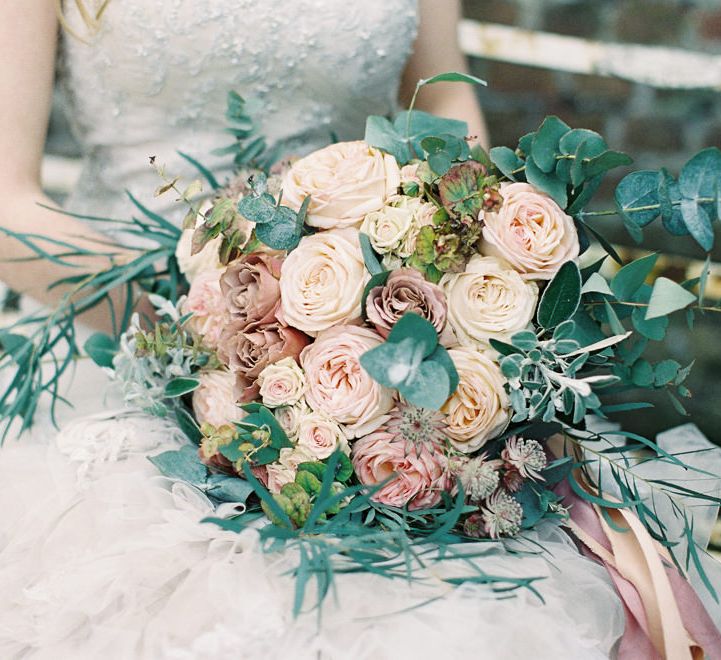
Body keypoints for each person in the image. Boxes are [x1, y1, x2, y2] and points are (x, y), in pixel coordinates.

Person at [0, 2, 632, 657]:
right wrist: (209, 336)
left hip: (378, 356)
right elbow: (5, 204)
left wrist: (463, 286)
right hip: (126, 344)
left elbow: (448, 115)